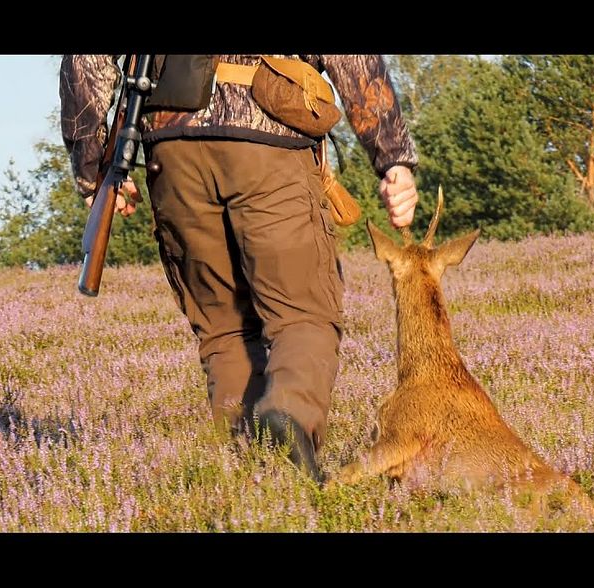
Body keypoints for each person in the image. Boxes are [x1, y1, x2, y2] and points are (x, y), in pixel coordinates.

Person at [59, 54, 419, 483]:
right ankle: (288, 414)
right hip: (268, 145)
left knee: (223, 330)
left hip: (172, 153)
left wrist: (92, 168)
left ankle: (252, 481)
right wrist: (392, 158)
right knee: (302, 315)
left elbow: (86, 60)